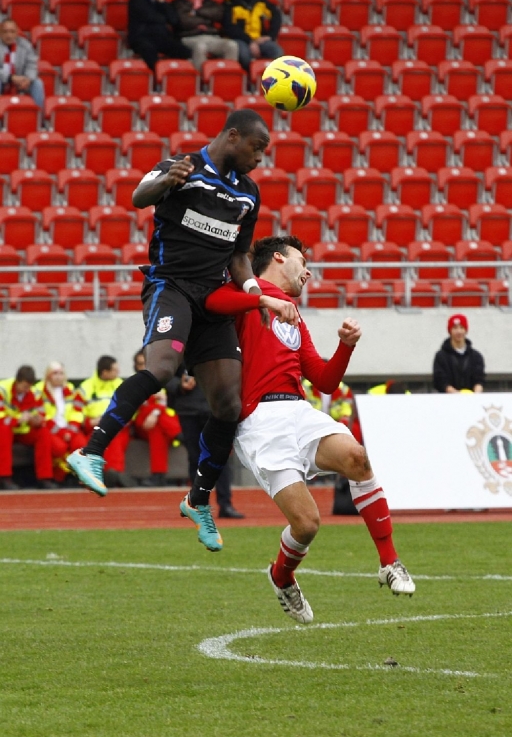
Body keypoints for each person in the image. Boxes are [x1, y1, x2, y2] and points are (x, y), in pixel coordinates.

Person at [67, 109, 297, 554]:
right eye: (256, 149)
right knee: (162, 369)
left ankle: (198, 500)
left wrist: (254, 293)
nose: (259, 159)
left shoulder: (248, 193)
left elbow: (239, 256)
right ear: (233, 136)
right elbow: (139, 196)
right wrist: (166, 182)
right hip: (170, 287)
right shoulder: (183, 166)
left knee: (229, 404)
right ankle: (90, 451)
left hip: (214, 299)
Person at [206, 236, 415, 624]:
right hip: (259, 422)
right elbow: (212, 302)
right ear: (278, 258)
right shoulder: (247, 293)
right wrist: (261, 300)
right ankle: (281, 576)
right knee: (307, 524)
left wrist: (345, 347)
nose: (308, 272)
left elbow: (324, 380)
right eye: (303, 262)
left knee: (357, 458)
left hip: (298, 410)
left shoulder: (294, 314)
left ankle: (389, 561)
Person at [167, 365, 244, 519]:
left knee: (220, 457)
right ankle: (199, 505)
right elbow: (165, 373)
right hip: (189, 410)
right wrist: (179, 384)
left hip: (215, 409)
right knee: (195, 459)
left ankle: (225, 504)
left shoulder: (219, 351)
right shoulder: (179, 352)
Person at [73, 356, 135, 489]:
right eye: (115, 370)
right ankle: (111, 476)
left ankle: (113, 474)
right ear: (105, 372)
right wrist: (89, 421)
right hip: (92, 427)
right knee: (96, 440)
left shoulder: (122, 385)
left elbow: (131, 409)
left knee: (113, 437)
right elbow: (75, 411)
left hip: (118, 426)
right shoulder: (86, 387)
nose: (118, 373)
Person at [0, 365, 59, 490]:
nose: (26, 390)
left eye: (29, 387)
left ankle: (44, 478)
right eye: (24, 386)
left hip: (24, 429)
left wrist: (37, 420)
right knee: (3, 429)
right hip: (7, 428)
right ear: (17, 381)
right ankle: (4, 478)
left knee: (43, 432)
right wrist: (18, 419)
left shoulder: (34, 392)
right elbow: (1, 416)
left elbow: (41, 413)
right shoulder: (3, 390)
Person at [132, 349, 182, 486]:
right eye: (140, 364)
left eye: (146, 363)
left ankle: (158, 475)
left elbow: (162, 403)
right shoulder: (133, 383)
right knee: (154, 412)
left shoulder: (158, 381)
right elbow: (138, 406)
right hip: (140, 423)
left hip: (155, 423)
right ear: (136, 366)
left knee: (157, 429)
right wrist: (154, 409)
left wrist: (154, 412)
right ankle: (179, 434)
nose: (144, 366)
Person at [173, 0, 238, 71]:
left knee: (232, 45)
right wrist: (206, 18)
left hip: (211, 36)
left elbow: (219, 14)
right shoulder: (178, 3)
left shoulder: (207, 1)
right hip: (189, 37)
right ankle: (202, 78)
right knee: (200, 47)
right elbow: (184, 21)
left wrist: (197, 11)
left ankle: (227, 77)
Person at [127, 0, 191, 72]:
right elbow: (150, 17)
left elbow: (174, 20)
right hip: (142, 37)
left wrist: (162, 1)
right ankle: (158, 78)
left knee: (185, 51)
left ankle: (172, 74)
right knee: (150, 52)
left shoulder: (160, 1)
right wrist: (163, 17)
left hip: (161, 37)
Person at [34, 361, 86, 484]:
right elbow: (42, 416)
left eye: (61, 373)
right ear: (48, 375)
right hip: (51, 429)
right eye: (55, 373)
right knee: (59, 447)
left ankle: (76, 477)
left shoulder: (71, 389)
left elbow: (77, 412)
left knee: (81, 444)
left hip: (69, 429)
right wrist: (61, 433)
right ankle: (59, 477)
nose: (58, 377)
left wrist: (70, 431)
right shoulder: (39, 390)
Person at [222, 0, 283, 72]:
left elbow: (276, 14)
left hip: (259, 38)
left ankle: (269, 77)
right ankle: (250, 79)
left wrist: (271, 36)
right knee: (245, 56)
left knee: (277, 52)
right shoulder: (229, 2)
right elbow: (229, 28)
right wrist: (250, 41)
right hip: (239, 39)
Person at [433, 314, 485, 393]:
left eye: (461, 327)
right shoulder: (441, 356)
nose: (459, 331)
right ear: (450, 331)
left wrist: (476, 395)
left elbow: (479, 379)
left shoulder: (476, 356)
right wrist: (456, 394)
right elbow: (440, 380)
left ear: (466, 330)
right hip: (448, 399)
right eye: (455, 328)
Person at [0, 19, 45, 109]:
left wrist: (28, 79)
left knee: (37, 83)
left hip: (21, 81)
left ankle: (38, 115)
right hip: (2, 80)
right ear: (0, 33)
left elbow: (32, 65)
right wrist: (10, 77)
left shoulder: (25, 45)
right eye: (5, 32)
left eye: (12, 32)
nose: (9, 35)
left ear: (17, 32)